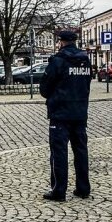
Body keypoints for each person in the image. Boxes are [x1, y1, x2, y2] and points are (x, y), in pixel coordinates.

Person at [39, 30, 92, 201]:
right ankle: (83, 188)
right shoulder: (85, 60)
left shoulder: (58, 60)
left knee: (59, 153)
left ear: (61, 42)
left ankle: (59, 190)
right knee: (81, 151)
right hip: (80, 112)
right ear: (74, 41)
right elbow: (87, 84)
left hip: (60, 113)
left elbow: (45, 88)